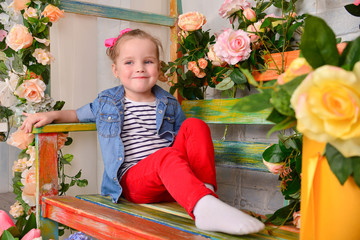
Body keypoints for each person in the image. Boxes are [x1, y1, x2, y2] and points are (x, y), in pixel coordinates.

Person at [21, 28, 265, 235]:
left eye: (148, 61)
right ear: (116, 70)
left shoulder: (168, 103)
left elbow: (187, 143)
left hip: (171, 179)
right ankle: (204, 205)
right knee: (166, 157)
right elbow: (76, 114)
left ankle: (205, 199)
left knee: (195, 125)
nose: (140, 68)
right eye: (129, 62)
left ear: (158, 67)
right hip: (134, 183)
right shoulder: (108, 102)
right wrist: (51, 115)